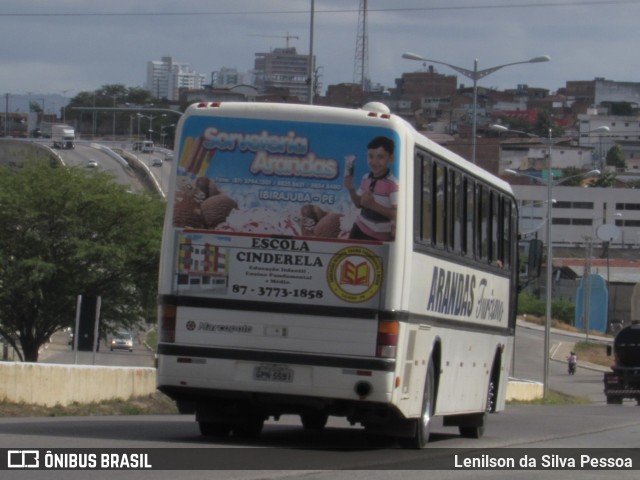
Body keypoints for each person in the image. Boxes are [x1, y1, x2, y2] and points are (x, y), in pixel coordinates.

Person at [344, 136, 398, 241]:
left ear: (391, 158)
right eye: (370, 156)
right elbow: (359, 204)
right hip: (359, 227)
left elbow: (397, 214)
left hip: (379, 237)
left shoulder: (393, 184)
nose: (374, 162)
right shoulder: (366, 178)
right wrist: (351, 189)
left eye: (380, 157)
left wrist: (373, 205)